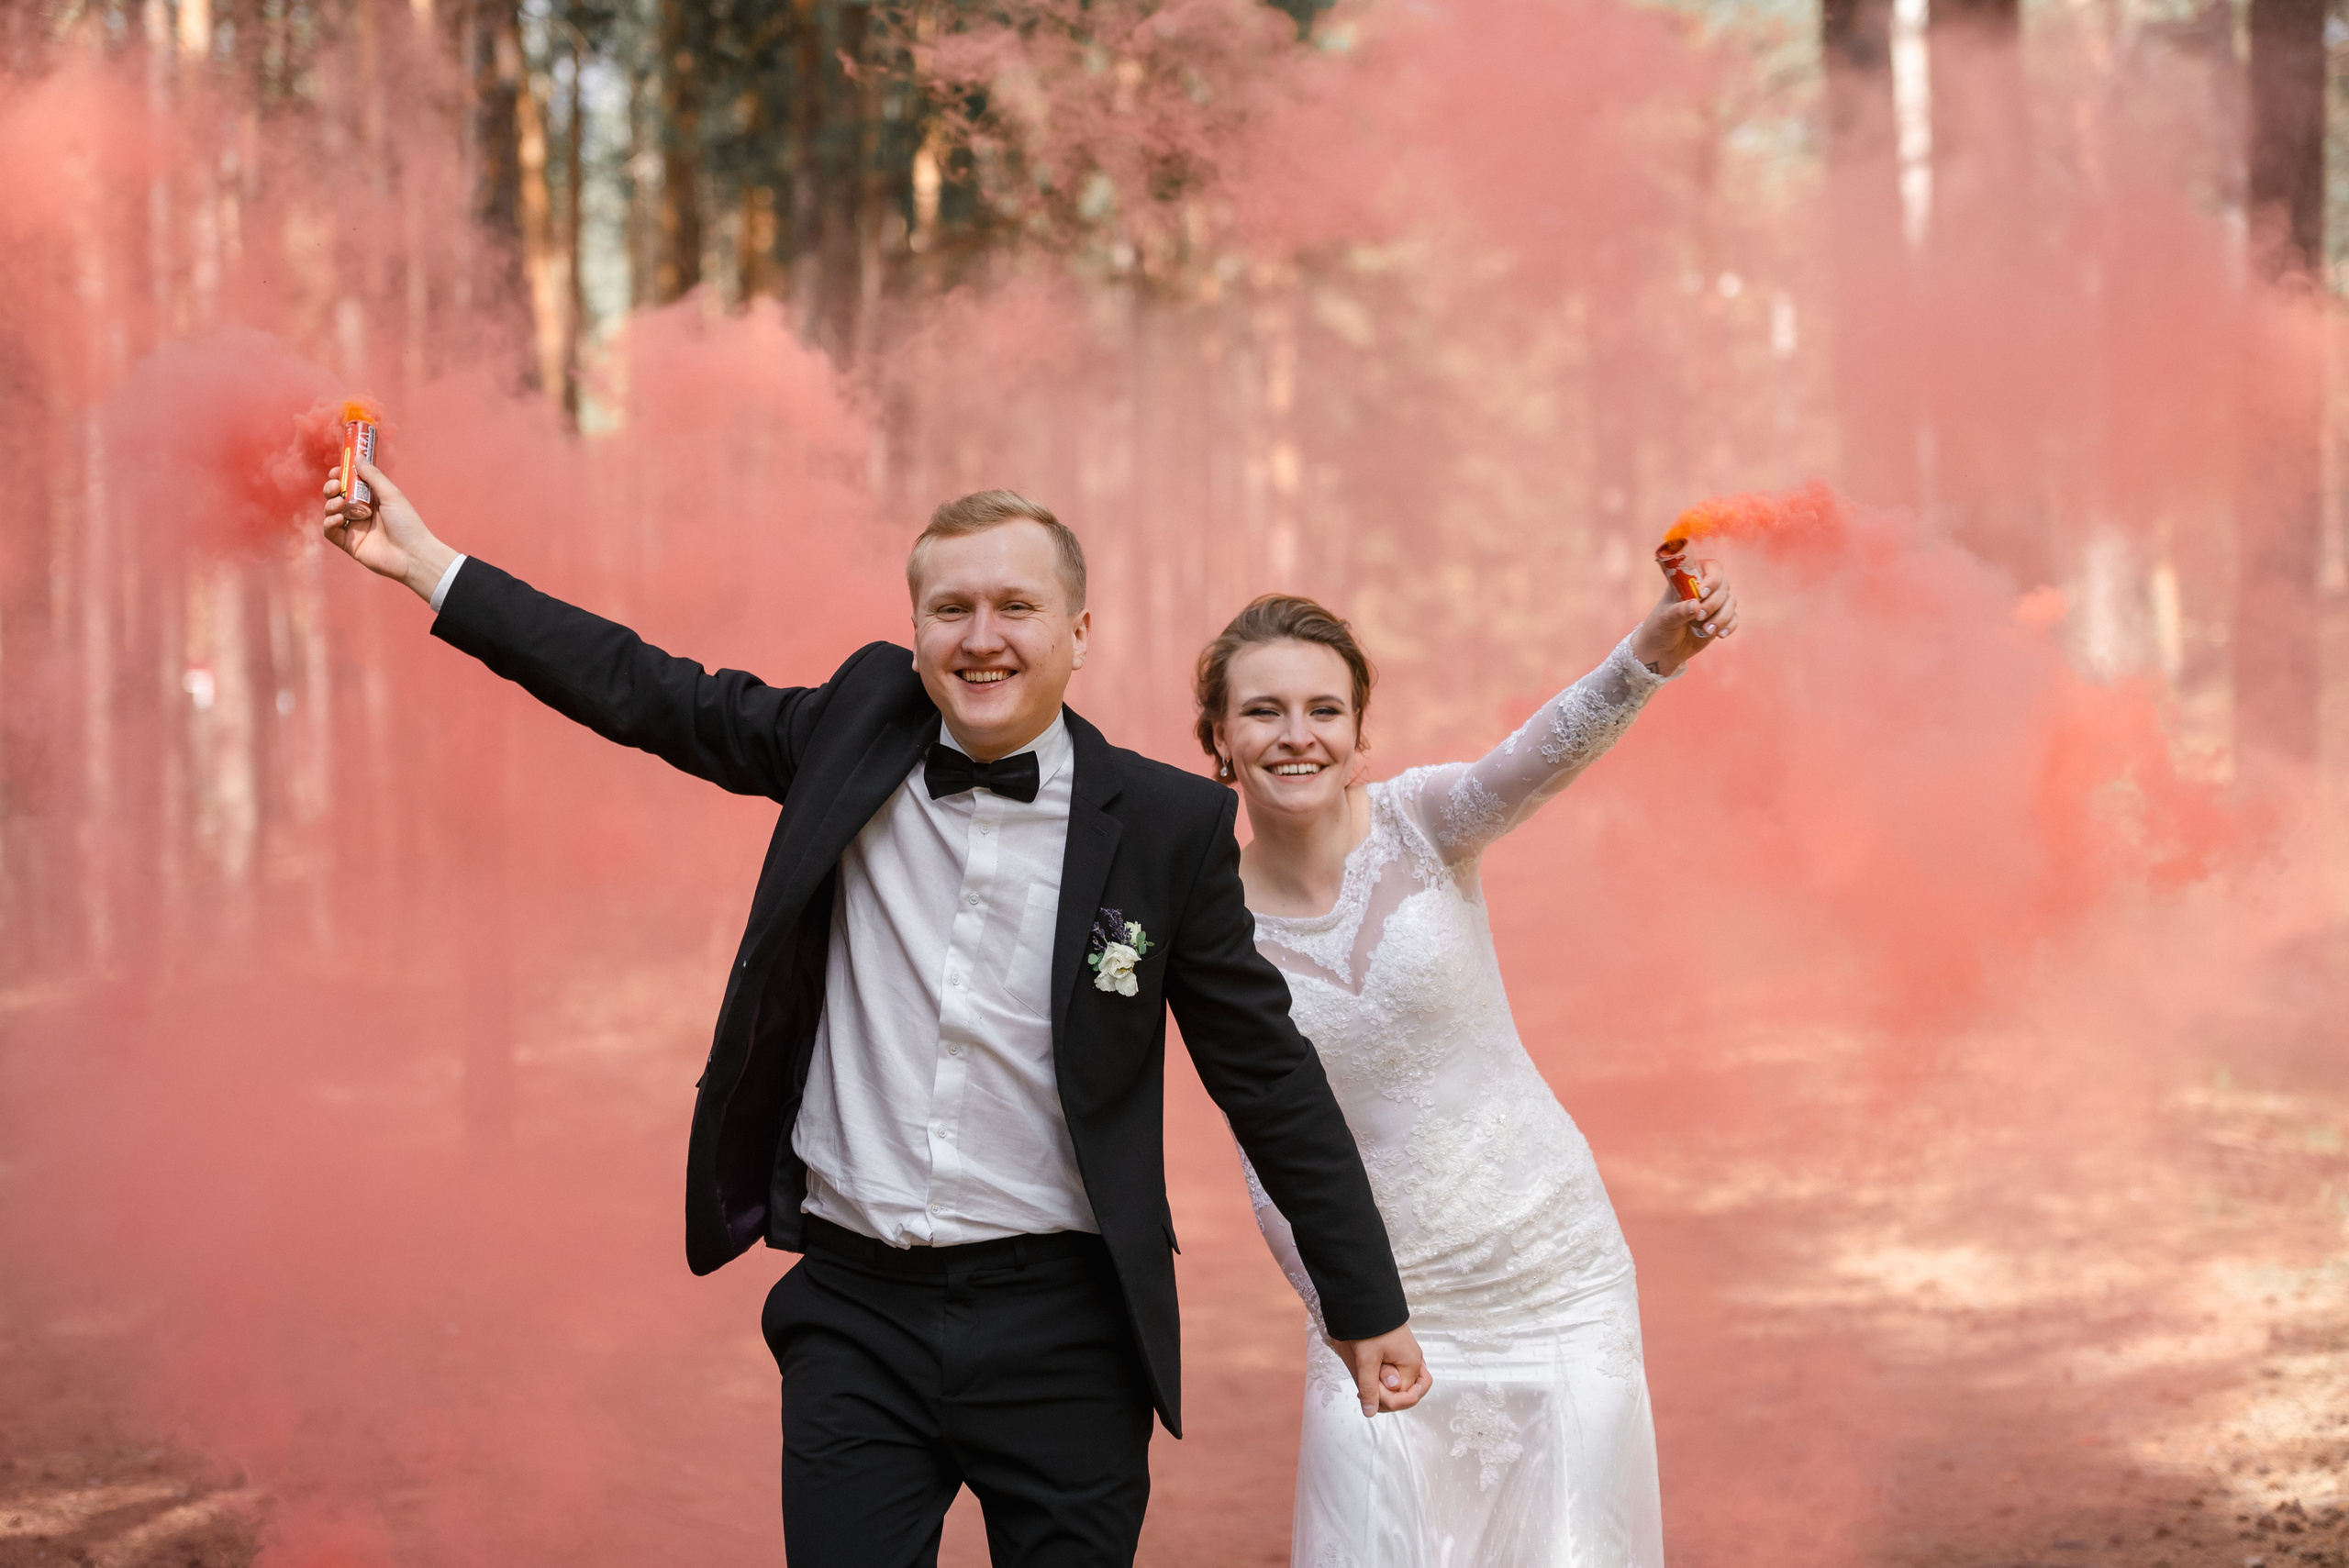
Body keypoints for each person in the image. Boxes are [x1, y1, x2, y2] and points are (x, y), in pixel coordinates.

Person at [320, 462, 1431, 1567]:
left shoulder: (1168, 824)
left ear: (1079, 631)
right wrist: (425, 565)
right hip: (856, 1316)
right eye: (951, 608)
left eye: (1015, 605)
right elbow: (644, 687)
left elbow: (1267, 1074)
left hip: (1069, 1331)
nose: (981, 636)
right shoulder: (852, 729)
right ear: (914, 632)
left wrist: (1364, 1298)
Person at [1194, 555, 1739, 1567]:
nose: (1296, 734)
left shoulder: (1423, 820)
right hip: (1375, 1306)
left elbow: (1539, 752)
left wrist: (1652, 649)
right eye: (1262, 711)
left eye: (1324, 709)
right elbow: (1258, 1143)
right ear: (1219, 739)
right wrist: (1344, 1312)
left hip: (1553, 1276)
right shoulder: (1204, 916)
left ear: (1361, 734)